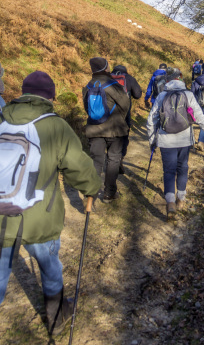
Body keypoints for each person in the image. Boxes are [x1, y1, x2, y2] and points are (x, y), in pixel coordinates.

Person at [0, 70, 101, 335]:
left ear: (22, 92)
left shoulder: (1, 118)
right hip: (39, 215)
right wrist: (91, 189)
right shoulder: (56, 125)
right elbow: (77, 166)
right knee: (49, 266)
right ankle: (56, 318)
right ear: (50, 96)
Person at [147, 67, 204, 220]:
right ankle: (181, 198)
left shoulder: (161, 96)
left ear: (167, 79)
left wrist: (152, 140)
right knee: (182, 168)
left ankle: (170, 204)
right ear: (180, 78)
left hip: (165, 140)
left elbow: (151, 121)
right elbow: (200, 118)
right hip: (184, 140)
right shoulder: (188, 95)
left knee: (168, 172)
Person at [82, 57, 130, 202]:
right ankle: (109, 193)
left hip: (94, 129)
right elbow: (125, 105)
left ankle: (91, 196)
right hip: (115, 129)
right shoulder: (113, 85)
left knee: (96, 161)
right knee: (113, 159)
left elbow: (87, 108)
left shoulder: (88, 86)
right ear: (105, 68)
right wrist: (120, 120)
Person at [111, 64, 142, 174]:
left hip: (106, 114)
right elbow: (138, 95)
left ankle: (110, 157)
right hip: (124, 114)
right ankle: (120, 157)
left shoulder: (106, 77)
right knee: (124, 135)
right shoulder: (129, 79)